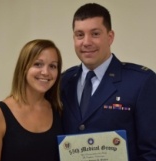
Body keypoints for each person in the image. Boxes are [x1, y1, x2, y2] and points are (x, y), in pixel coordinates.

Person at [61, 3, 156, 161]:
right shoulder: (63, 82)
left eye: (95, 34)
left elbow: (152, 152)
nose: (86, 42)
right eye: (79, 35)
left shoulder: (141, 82)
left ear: (110, 37)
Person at [0, 39, 63, 161]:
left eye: (53, 66)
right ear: (24, 67)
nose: (45, 72)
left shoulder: (58, 110)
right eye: (38, 64)